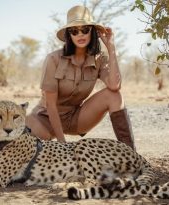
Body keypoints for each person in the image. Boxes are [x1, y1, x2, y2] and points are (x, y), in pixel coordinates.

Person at [26, 5, 135, 150]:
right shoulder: (53, 59)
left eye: (85, 30)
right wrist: (62, 144)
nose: (80, 35)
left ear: (92, 31)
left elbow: (114, 85)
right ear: (69, 35)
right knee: (24, 134)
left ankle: (131, 154)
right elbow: (51, 105)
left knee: (114, 95)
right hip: (45, 118)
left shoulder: (98, 59)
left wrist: (111, 48)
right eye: (74, 31)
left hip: (75, 118)